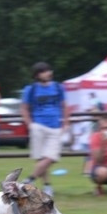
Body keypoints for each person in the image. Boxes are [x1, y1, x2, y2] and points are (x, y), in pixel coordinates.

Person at [20, 61, 67, 197]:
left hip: (55, 126)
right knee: (41, 158)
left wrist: (66, 122)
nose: (49, 73)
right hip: (38, 125)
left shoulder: (58, 87)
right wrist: (30, 124)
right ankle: (47, 186)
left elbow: (64, 106)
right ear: (37, 75)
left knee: (51, 156)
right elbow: (24, 108)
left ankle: (29, 180)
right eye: (45, 71)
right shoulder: (31, 89)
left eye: (49, 70)